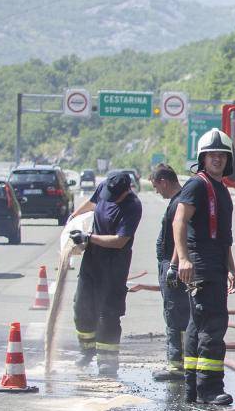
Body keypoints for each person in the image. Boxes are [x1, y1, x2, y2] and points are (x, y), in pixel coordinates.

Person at [173, 130, 235, 406]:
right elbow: (179, 221)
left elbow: (223, 236)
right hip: (201, 265)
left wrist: (230, 268)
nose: (217, 159)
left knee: (197, 325)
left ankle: (192, 386)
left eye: (222, 155)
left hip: (215, 264)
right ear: (202, 158)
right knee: (213, 326)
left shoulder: (221, 189)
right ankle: (209, 388)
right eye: (212, 155)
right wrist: (184, 259)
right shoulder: (197, 185)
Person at [67, 169, 142, 374]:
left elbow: (120, 241)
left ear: (126, 191)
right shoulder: (105, 187)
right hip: (92, 261)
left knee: (108, 314)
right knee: (82, 306)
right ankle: (86, 350)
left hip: (114, 265)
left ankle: (107, 361)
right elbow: (91, 204)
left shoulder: (132, 206)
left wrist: (88, 237)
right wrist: (73, 218)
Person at [150, 164, 189, 383]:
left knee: (175, 315)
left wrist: (173, 267)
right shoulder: (178, 202)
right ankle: (179, 364)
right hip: (170, 265)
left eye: (157, 187)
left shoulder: (179, 204)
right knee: (174, 314)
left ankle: (177, 367)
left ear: (164, 181)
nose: (157, 192)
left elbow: (179, 238)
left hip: (172, 267)